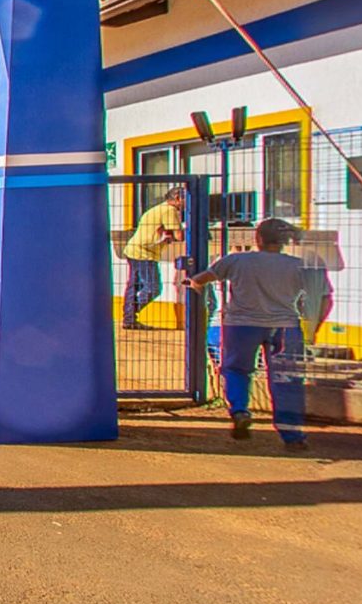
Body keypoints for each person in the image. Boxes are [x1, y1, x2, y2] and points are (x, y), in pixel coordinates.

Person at [183, 218, 327, 450]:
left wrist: (193, 284)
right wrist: (313, 328)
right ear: (284, 241)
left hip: (241, 325)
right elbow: (325, 298)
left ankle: (240, 410)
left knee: (236, 370)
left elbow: (202, 278)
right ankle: (292, 435)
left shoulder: (236, 260)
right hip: (285, 327)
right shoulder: (298, 265)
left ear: (257, 238)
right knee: (286, 379)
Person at [121, 187, 185, 331]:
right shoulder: (170, 211)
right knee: (153, 288)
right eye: (185, 199)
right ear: (177, 198)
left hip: (133, 249)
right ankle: (131, 313)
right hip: (145, 253)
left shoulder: (157, 208)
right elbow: (179, 236)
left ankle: (129, 318)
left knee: (134, 285)